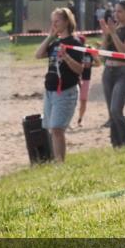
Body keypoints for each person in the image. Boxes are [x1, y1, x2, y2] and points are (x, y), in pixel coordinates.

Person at [34, 8, 85, 162]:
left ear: (66, 22)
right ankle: (57, 160)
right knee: (52, 128)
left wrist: (67, 58)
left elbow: (80, 69)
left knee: (57, 128)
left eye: (57, 21)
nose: (54, 24)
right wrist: (50, 37)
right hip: (50, 90)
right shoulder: (55, 42)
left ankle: (59, 163)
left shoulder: (74, 43)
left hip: (65, 90)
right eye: (52, 21)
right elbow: (38, 54)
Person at [99, 0, 125, 147]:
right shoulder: (113, 29)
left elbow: (124, 51)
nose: (116, 14)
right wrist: (106, 35)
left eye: (120, 11)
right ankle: (116, 143)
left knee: (116, 110)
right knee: (111, 112)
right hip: (108, 71)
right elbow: (103, 52)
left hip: (123, 72)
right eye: (115, 11)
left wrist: (114, 33)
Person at [75, 37, 95, 127]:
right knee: (72, 100)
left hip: (85, 79)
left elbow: (98, 63)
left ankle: (80, 119)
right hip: (74, 78)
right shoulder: (73, 50)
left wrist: (91, 63)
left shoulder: (89, 50)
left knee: (83, 100)